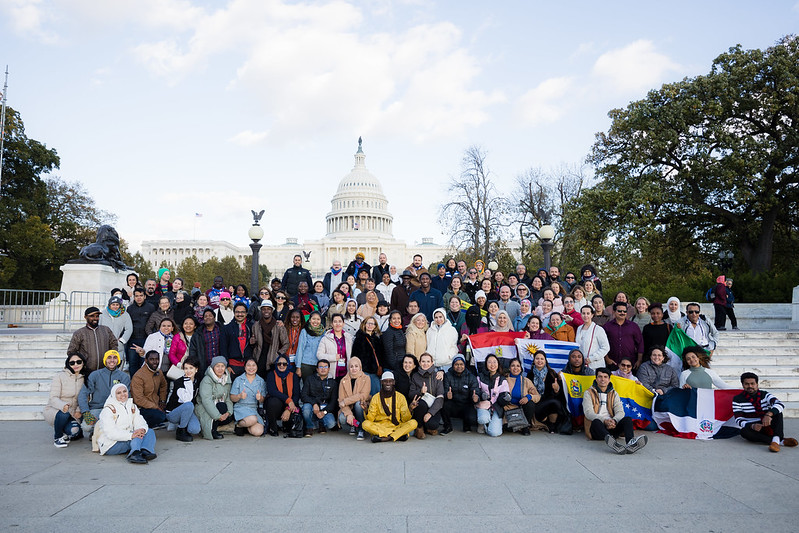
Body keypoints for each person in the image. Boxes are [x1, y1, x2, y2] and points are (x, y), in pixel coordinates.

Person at [583, 368, 647, 454]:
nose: (602, 379)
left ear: (609, 379)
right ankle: (614, 444)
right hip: (597, 429)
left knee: (627, 419)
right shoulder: (588, 393)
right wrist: (605, 421)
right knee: (596, 421)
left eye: (605, 377)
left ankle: (630, 443)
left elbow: (620, 411)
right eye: (600, 377)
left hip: (612, 426)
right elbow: (588, 413)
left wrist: (614, 420)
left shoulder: (614, 393)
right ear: (596, 378)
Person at [733, 372, 798, 452]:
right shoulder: (737, 399)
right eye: (746, 384)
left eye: (752, 383)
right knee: (744, 432)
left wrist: (768, 415)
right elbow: (738, 419)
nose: (750, 386)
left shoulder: (765, 394)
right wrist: (752, 426)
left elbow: (779, 404)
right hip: (755, 427)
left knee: (778, 413)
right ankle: (779, 441)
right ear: (742, 385)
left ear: (757, 384)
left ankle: (775, 441)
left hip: (767, 422)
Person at [95, 384, 157, 464]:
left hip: (127, 437)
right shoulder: (108, 410)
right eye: (119, 393)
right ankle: (134, 454)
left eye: (124, 391)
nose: (123, 394)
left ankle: (145, 450)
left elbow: (139, 421)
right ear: (114, 395)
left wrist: (142, 429)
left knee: (149, 431)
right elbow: (111, 433)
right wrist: (131, 435)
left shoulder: (132, 406)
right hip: (111, 444)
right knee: (137, 436)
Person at [78, 350, 130, 437]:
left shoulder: (124, 376)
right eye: (109, 358)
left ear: (118, 360)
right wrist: (86, 412)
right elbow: (83, 394)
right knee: (86, 426)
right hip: (97, 408)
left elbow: (127, 396)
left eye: (115, 358)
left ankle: (101, 433)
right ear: (105, 360)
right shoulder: (95, 375)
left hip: (116, 410)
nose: (112, 360)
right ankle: (97, 431)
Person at [362, 371, 417, 442]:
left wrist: (410, 409)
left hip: (396, 426)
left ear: (393, 382)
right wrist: (366, 410)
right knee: (365, 424)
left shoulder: (400, 397)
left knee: (413, 423)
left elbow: (404, 419)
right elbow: (371, 419)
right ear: (381, 382)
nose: (388, 383)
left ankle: (385, 438)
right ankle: (397, 435)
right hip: (380, 426)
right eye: (385, 381)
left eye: (390, 381)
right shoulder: (376, 397)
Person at [46, 354, 87, 448]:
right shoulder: (59, 376)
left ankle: (66, 430)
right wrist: (63, 405)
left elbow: (85, 397)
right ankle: (58, 437)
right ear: (68, 364)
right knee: (64, 413)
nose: (75, 364)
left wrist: (78, 409)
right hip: (57, 410)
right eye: (72, 363)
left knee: (75, 431)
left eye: (78, 362)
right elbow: (53, 397)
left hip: (73, 412)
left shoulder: (84, 378)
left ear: (83, 363)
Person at [67, 306, 118, 373]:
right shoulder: (79, 333)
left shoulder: (106, 330)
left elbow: (114, 344)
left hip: (105, 371)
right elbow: (71, 351)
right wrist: (81, 365)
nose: (95, 318)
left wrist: (111, 360)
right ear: (85, 317)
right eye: (92, 316)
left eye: (97, 316)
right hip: (86, 372)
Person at [527, 350, 568, 433]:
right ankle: (542, 421)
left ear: (545, 361)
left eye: (542, 359)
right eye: (537, 358)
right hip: (536, 403)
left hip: (549, 402)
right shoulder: (530, 374)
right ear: (534, 361)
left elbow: (558, 395)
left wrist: (557, 390)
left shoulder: (552, 373)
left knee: (555, 402)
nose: (539, 361)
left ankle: (552, 424)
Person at [196, 356, 235, 440]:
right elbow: (206, 400)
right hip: (206, 407)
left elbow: (228, 398)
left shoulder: (226, 379)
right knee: (220, 406)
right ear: (213, 367)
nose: (220, 369)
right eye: (217, 366)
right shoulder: (207, 380)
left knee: (227, 411)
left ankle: (218, 425)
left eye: (222, 366)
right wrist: (217, 416)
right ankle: (213, 430)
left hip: (220, 409)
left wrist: (229, 412)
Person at [164, 356, 202, 442]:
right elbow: (187, 400)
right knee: (189, 405)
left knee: (195, 429)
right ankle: (181, 430)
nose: (188, 371)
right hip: (173, 413)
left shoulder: (197, 380)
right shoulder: (179, 382)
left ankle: (183, 424)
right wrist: (188, 381)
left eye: (191, 368)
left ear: (196, 369)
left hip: (187, 411)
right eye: (186, 368)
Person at [220, 302, 262, 378]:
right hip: (233, 366)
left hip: (248, 366)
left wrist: (253, 343)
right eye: (237, 312)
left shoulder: (252, 327)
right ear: (234, 313)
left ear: (246, 313)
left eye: (242, 312)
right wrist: (227, 366)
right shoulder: (227, 328)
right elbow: (223, 348)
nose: (240, 314)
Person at [408, 353, 444, 438]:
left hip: (433, 406)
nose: (425, 364)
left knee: (433, 425)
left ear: (432, 363)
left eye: (428, 361)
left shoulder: (437, 376)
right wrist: (420, 391)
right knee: (422, 404)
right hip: (420, 406)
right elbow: (410, 394)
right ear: (420, 363)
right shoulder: (415, 376)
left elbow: (440, 397)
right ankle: (419, 428)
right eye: (423, 361)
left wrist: (430, 413)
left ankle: (428, 427)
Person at [130, 350, 168, 428]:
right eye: (152, 359)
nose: (155, 362)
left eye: (157, 359)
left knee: (168, 413)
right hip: (142, 408)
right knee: (161, 416)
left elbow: (163, 385)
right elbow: (138, 399)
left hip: (155, 404)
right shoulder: (139, 376)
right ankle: (146, 425)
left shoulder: (158, 372)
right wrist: (156, 407)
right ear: (146, 360)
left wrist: (162, 401)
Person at [441, 356, 479, 434]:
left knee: (472, 418)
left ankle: (467, 426)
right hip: (453, 404)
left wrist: (476, 398)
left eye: (461, 364)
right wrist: (447, 395)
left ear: (465, 365)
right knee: (444, 405)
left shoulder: (471, 377)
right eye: (456, 364)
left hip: (466, 404)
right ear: (453, 365)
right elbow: (444, 390)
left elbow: (476, 391)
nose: (459, 366)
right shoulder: (448, 375)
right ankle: (448, 427)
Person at [301, 359, 340, 436]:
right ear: (317, 369)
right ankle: (309, 427)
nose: (323, 369)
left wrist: (324, 412)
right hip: (312, 406)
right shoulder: (310, 379)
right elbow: (303, 395)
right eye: (321, 367)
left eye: (325, 367)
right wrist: (314, 403)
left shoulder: (333, 382)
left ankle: (321, 423)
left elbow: (333, 402)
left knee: (331, 424)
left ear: (329, 369)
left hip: (325, 408)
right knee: (306, 409)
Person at [230, 358, 267, 437]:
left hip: (253, 409)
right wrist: (239, 396)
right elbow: (232, 397)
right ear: (245, 367)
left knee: (258, 432)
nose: (251, 368)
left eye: (253, 365)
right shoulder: (238, 379)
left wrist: (260, 398)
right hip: (241, 407)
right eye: (248, 365)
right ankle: (239, 425)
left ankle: (245, 426)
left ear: (257, 367)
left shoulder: (261, 381)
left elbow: (263, 399)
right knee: (252, 419)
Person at [475, 354, 509, 437]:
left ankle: (490, 424)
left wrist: (506, 398)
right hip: (483, 405)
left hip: (496, 407)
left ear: (498, 364)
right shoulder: (480, 377)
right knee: (483, 418)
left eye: (494, 362)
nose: (492, 364)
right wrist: (481, 395)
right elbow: (476, 391)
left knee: (494, 433)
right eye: (489, 362)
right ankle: (483, 423)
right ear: (486, 364)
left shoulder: (502, 379)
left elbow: (504, 396)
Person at [602, 302, 644, 370]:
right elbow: (601, 344)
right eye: (619, 311)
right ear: (614, 312)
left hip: (629, 364)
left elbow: (640, 344)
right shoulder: (607, 326)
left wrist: (639, 360)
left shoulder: (633, 326)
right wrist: (607, 359)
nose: (622, 313)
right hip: (612, 363)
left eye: (624, 311)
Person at [338, 356, 371, 440]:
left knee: (358, 404)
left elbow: (363, 395)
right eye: (351, 366)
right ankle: (353, 424)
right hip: (349, 408)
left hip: (361, 406)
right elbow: (340, 400)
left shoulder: (366, 378)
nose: (354, 369)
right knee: (342, 418)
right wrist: (349, 415)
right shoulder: (343, 380)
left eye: (356, 366)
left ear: (360, 367)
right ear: (348, 368)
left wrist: (346, 401)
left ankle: (361, 429)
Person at [126, 288, 155, 376]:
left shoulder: (151, 307)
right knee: (133, 364)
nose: (139, 298)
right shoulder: (130, 308)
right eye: (137, 296)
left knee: (144, 363)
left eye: (141, 295)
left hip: (146, 339)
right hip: (132, 340)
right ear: (134, 297)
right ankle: (133, 384)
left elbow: (153, 323)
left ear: (145, 296)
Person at [504, 358, 537, 435]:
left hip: (523, 409)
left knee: (530, 404)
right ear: (509, 368)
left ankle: (525, 427)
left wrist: (528, 397)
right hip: (509, 409)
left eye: (518, 366)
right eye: (513, 366)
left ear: (521, 368)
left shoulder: (526, 381)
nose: (515, 368)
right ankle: (517, 425)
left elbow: (537, 396)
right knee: (509, 429)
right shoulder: (504, 380)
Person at [352, 316, 385, 391]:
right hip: (364, 371)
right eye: (368, 323)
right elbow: (355, 355)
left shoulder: (377, 339)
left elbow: (381, 355)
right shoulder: (359, 338)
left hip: (375, 372)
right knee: (364, 394)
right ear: (364, 324)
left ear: (375, 326)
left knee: (376, 393)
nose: (370, 325)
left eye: (373, 324)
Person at [317, 314, 354, 380]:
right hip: (332, 373)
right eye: (335, 321)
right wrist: (333, 357)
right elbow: (319, 355)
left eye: (340, 321)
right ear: (332, 324)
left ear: (343, 324)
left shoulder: (349, 338)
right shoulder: (325, 338)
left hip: (346, 373)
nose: (337, 324)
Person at [575, 305, 609, 371]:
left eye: (588, 313)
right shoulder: (579, 328)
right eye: (583, 313)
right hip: (582, 366)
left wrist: (592, 358)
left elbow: (606, 347)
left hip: (596, 365)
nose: (585, 315)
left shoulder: (598, 329)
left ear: (592, 315)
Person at [189, 308, 221, 376]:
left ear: (214, 318)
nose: (208, 317)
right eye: (205, 316)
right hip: (204, 366)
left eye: (210, 315)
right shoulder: (198, 334)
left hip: (220, 365)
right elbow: (193, 351)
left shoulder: (221, 329)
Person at [99, 296, 132, 360]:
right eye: (113, 304)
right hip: (104, 344)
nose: (115, 306)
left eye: (117, 305)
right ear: (109, 305)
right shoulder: (102, 314)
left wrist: (122, 340)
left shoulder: (125, 314)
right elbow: (98, 327)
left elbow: (129, 329)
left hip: (117, 345)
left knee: (117, 364)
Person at [296, 311, 325, 384]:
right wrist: (298, 367)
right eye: (313, 319)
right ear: (309, 320)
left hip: (319, 365)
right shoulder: (304, 331)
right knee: (307, 386)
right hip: (306, 365)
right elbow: (300, 349)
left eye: (318, 319)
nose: (316, 321)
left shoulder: (323, 332)